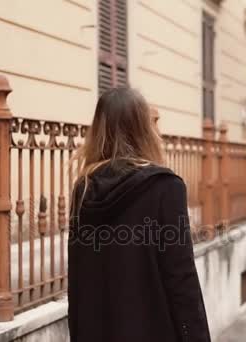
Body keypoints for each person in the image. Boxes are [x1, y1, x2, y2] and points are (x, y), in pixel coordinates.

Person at [67, 87, 211, 342]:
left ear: (99, 129)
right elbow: (180, 277)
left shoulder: (84, 188)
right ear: (144, 129)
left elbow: (77, 280)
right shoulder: (166, 187)